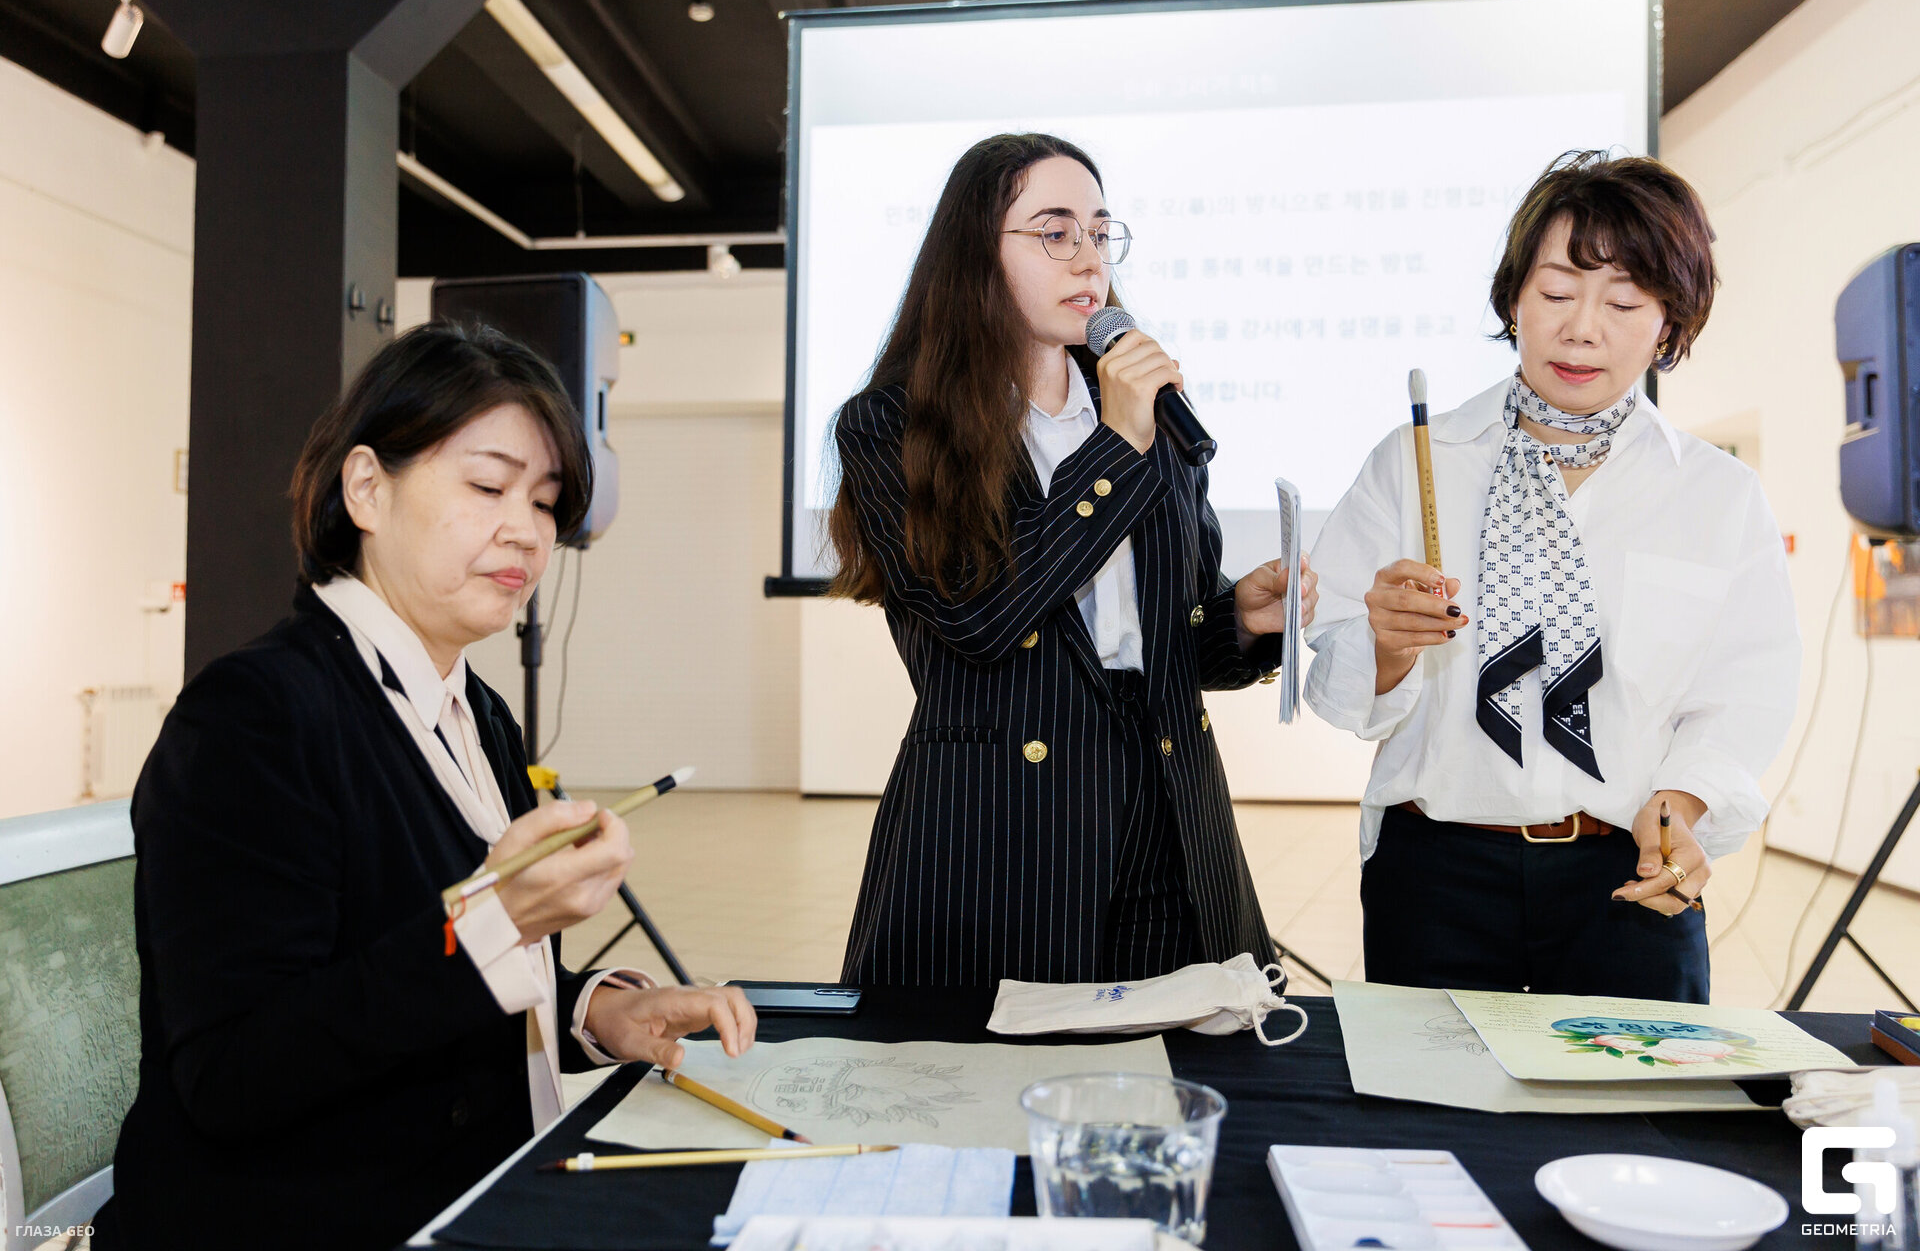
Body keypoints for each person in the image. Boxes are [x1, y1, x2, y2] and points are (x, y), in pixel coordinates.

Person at [95, 323, 757, 1250]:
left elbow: (429, 974)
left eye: (545, 501)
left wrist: (597, 1011)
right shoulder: (253, 716)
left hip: (476, 1193)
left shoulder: (477, 712)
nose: (526, 530)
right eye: (488, 486)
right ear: (367, 487)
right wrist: (498, 917)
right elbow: (236, 1076)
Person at [1305, 151, 1799, 1003]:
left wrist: (1683, 804)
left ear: (1669, 323)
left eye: (1624, 303)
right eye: (1558, 293)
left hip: (1628, 870)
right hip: (1436, 871)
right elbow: (1335, 682)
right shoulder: (1417, 461)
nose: (1582, 330)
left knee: (1639, 1092)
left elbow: (1747, 691)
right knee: (1431, 1089)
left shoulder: (1717, 494)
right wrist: (1385, 645)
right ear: (1513, 301)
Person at [829, 132, 1317, 988]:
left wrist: (1240, 619)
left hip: (1168, 807)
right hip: (1000, 830)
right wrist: (1118, 445)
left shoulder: (1146, 411)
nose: (1088, 258)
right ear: (975, 254)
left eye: (1099, 232)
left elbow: (1169, 639)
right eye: (1054, 233)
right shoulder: (892, 424)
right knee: (993, 1064)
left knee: (1184, 1052)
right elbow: (980, 617)